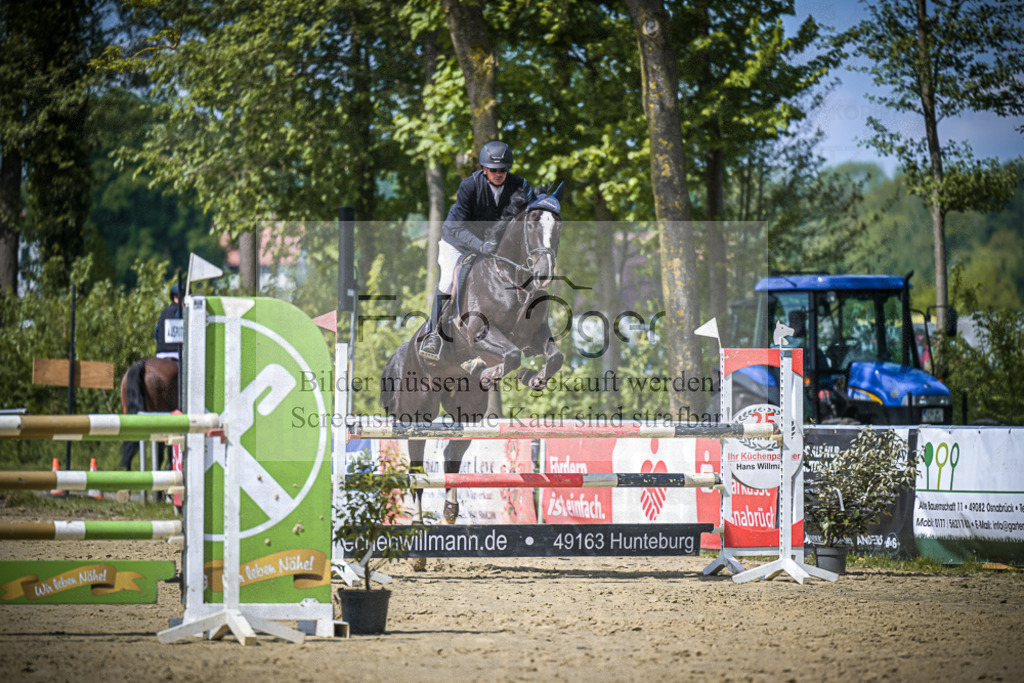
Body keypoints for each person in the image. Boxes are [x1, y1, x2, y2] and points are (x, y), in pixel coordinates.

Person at [418, 141, 534, 361]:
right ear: (484, 169)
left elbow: (532, 213)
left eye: (503, 170)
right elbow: (455, 227)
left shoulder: (519, 186)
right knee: (448, 282)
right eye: (493, 170)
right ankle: (433, 334)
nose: (498, 174)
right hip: (457, 242)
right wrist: (479, 245)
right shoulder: (470, 186)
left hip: (492, 246)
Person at [155, 283, 183, 361]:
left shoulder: (163, 312)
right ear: (175, 297)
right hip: (177, 353)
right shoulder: (184, 311)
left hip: (160, 354)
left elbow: (156, 334)